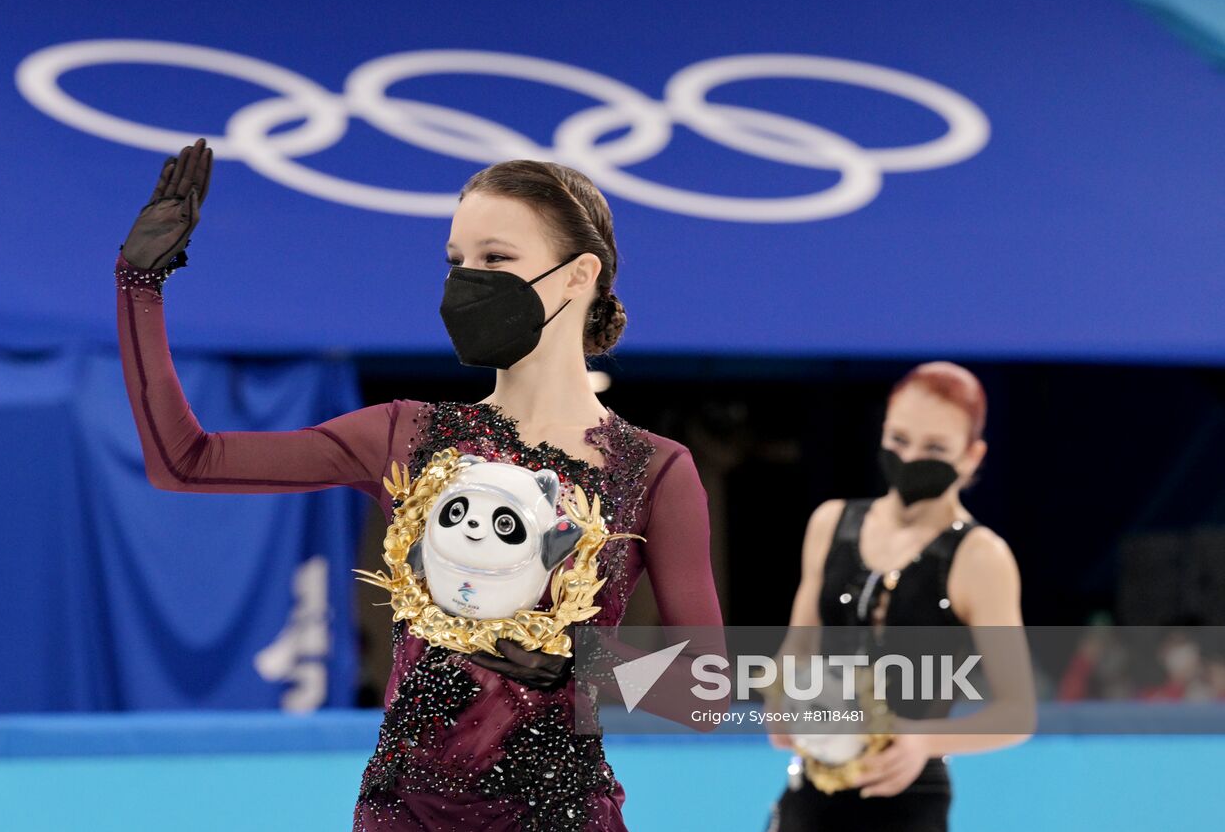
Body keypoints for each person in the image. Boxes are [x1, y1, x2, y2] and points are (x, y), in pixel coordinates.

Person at [113, 138, 723, 831]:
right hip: (404, 815)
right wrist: (140, 283)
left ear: (579, 274)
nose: (468, 279)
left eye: (496, 258)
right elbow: (184, 460)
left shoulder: (651, 470)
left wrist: (582, 669)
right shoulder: (406, 435)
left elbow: (705, 693)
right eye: (456, 261)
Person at [765, 362, 1032, 832]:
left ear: (971, 456)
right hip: (814, 786)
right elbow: (799, 647)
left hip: (909, 798)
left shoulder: (980, 558)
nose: (910, 459)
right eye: (899, 440)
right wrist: (780, 702)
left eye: (934, 448)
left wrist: (921, 739)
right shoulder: (832, 523)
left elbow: (1018, 712)